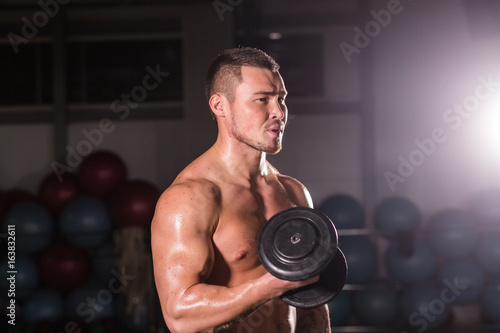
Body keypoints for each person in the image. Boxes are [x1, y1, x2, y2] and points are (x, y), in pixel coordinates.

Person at [151, 47, 331, 333]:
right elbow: (179, 314)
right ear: (220, 106)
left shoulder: (294, 192)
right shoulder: (190, 198)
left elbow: (312, 305)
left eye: (281, 99)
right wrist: (269, 286)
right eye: (262, 99)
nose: (279, 112)